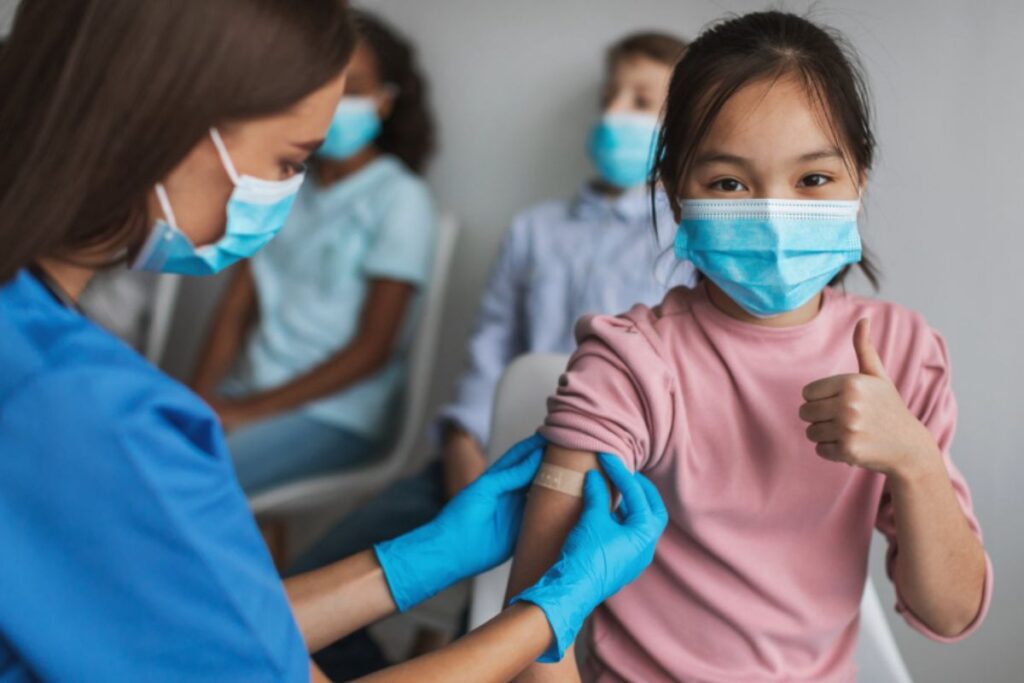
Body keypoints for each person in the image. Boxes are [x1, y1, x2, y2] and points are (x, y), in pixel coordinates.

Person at [0, 2, 667, 681]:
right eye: (290, 160)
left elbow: (199, 624)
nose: (290, 189)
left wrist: (423, 556)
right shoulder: (100, 418)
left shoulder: (33, 345)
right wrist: (548, 614)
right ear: (174, 122)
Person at [505, 11, 992, 683]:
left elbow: (951, 611)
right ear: (676, 195)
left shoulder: (903, 350)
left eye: (814, 179)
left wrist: (914, 459)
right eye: (729, 183)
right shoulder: (630, 362)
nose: (772, 211)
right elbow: (534, 633)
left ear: (861, 180)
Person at [290, 28, 694, 575]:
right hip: (491, 460)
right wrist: (463, 441)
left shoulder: (687, 245)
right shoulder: (536, 230)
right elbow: (490, 344)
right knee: (315, 579)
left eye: (640, 101)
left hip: (608, 490)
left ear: (683, 125)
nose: (612, 115)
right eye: (608, 98)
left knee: (500, 612)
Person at [190, 10, 439, 495]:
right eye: (327, 86)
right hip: (248, 394)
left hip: (337, 414)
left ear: (385, 103)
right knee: (156, 446)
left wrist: (247, 414)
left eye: (356, 89)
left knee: (193, 481)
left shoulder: (400, 199)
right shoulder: (284, 186)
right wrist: (198, 398)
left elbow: (373, 349)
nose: (337, 102)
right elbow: (236, 307)